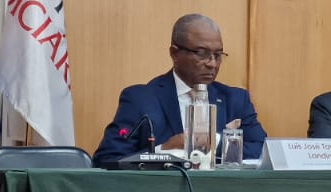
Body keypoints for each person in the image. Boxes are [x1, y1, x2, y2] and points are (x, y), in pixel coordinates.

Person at [92, 14, 267, 166]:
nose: (212, 63)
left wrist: (214, 141)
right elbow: (107, 159)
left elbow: (263, 150)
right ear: (174, 53)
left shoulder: (235, 100)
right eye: (201, 53)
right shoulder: (140, 100)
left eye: (218, 55)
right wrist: (163, 151)